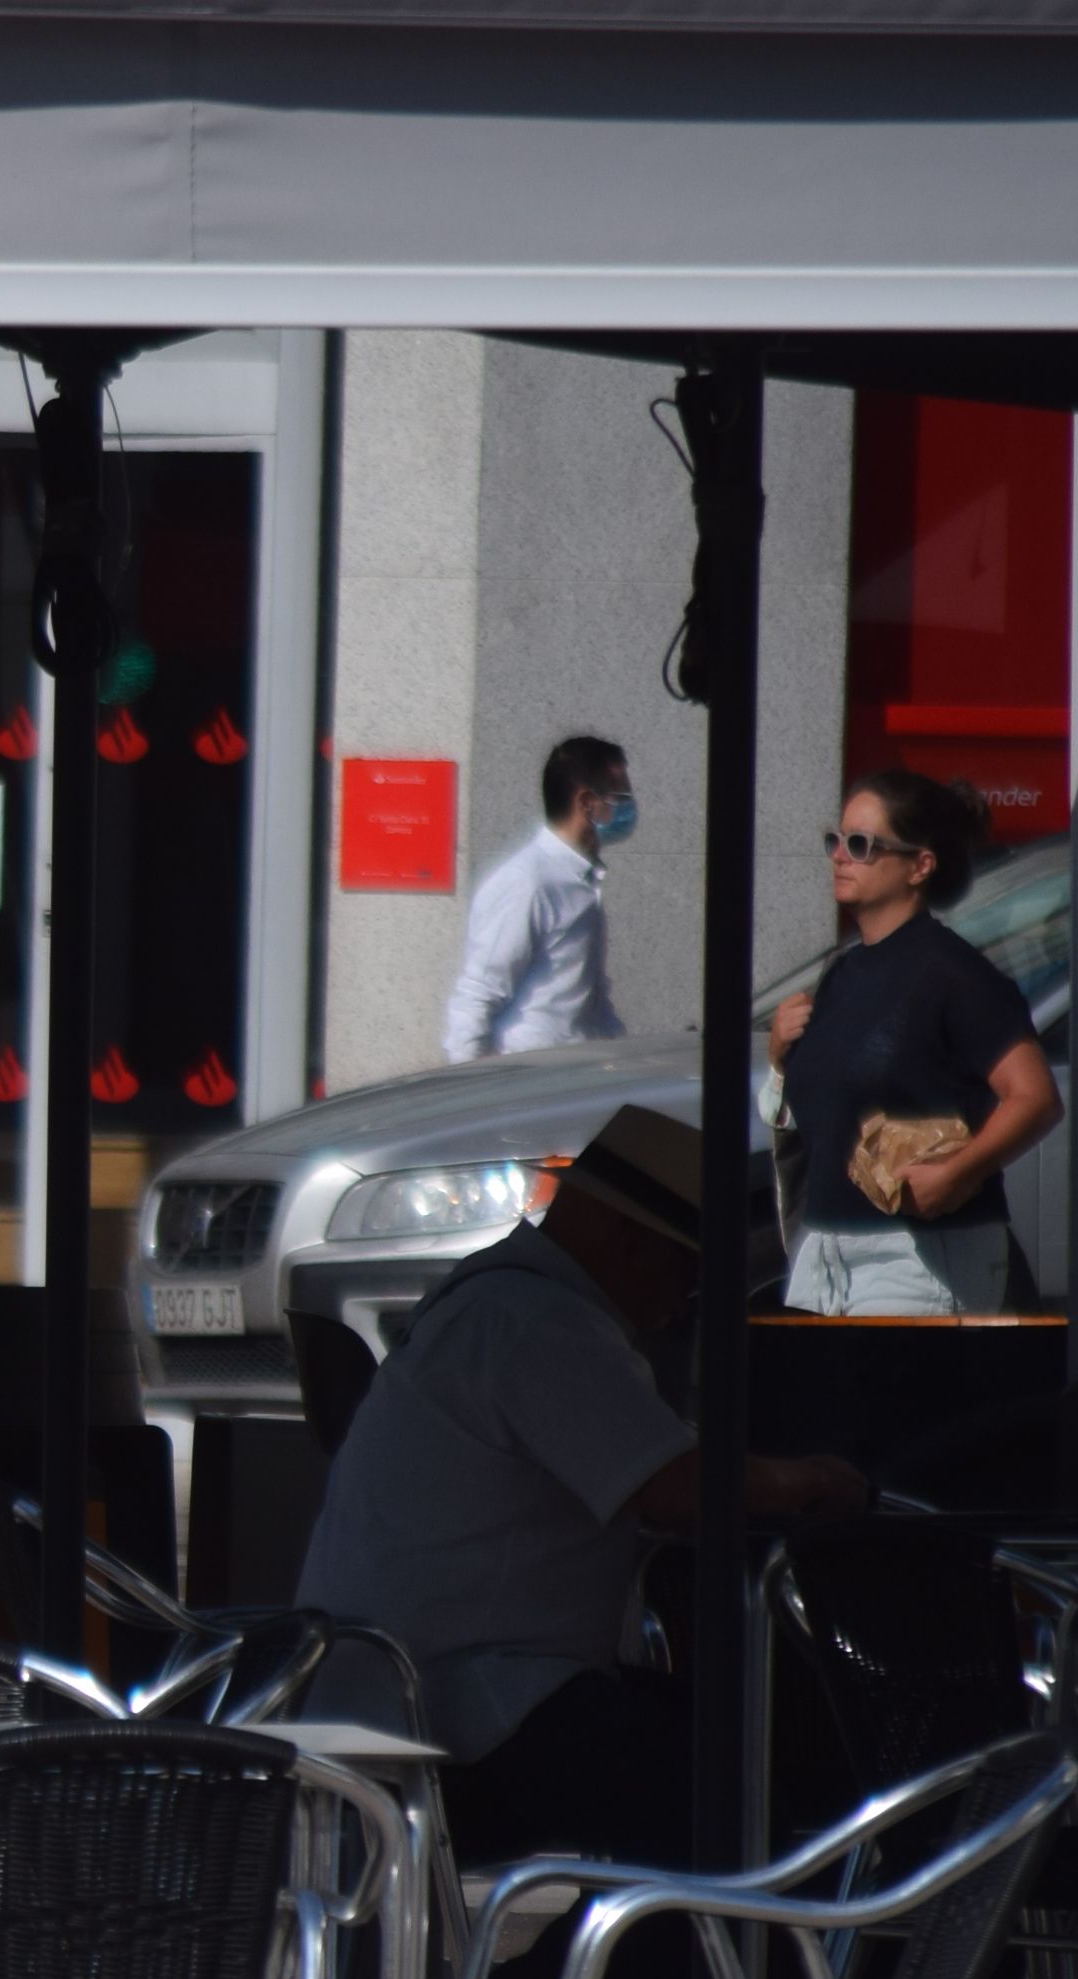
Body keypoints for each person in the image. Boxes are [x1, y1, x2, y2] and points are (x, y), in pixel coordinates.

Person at [301, 1106, 867, 1871]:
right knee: (740, 1785)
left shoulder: (494, 1303)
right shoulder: (535, 1321)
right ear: (631, 1243)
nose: (682, 1304)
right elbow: (678, 1488)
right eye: (686, 1272)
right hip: (464, 1702)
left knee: (713, 1758)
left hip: (424, 1683)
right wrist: (815, 1477)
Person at [765, 769, 1059, 1316]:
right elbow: (818, 1118)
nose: (839, 856)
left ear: (919, 866)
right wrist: (780, 1063)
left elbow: (1037, 1099)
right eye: (836, 840)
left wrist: (957, 1173)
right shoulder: (841, 973)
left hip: (918, 1261)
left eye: (861, 845)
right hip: (823, 1261)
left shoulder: (954, 975)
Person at [439, 736, 634, 1061]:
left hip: (580, 1073)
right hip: (534, 1078)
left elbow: (586, 997)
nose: (627, 807)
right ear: (586, 802)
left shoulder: (581, 881)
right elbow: (479, 992)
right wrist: (471, 1091)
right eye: (620, 797)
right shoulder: (527, 882)